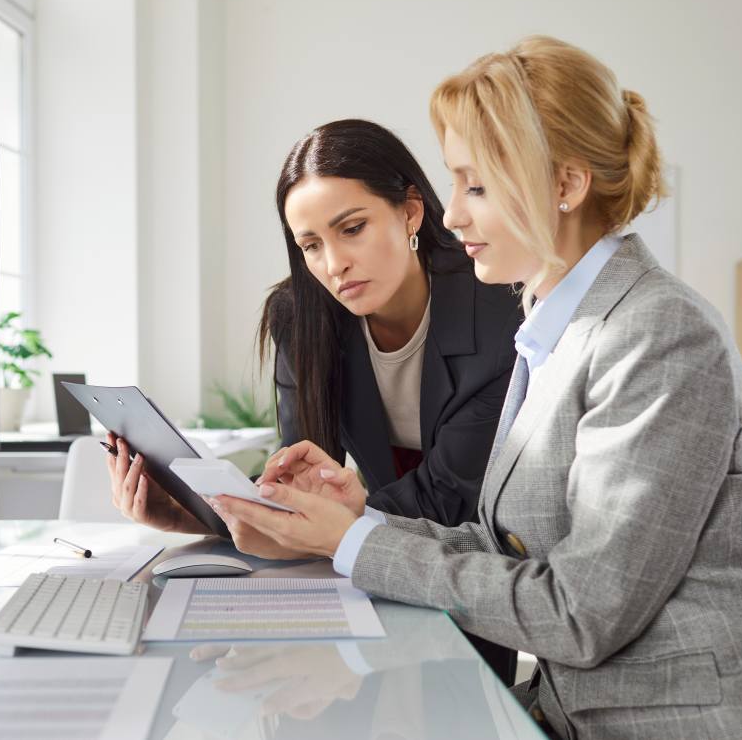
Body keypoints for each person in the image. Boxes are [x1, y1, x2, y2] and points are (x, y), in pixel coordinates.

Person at [211, 37, 742, 739]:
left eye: (475, 186)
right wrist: (355, 523)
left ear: (567, 186)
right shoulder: (555, 327)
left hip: (695, 719)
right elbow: (505, 545)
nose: (451, 216)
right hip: (581, 707)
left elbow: (580, 612)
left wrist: (357, 544)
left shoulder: (660, 334)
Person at [106, 118, 523, 680]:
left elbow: (450, 500)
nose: (333, 264)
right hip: (356, 586)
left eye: (352, 228)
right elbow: (299, 480)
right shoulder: (301, 317)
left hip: (462, 576)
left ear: (411, 211)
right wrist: (193, 517)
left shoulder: (499, 309)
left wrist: (317, 529)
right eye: (310, 244)